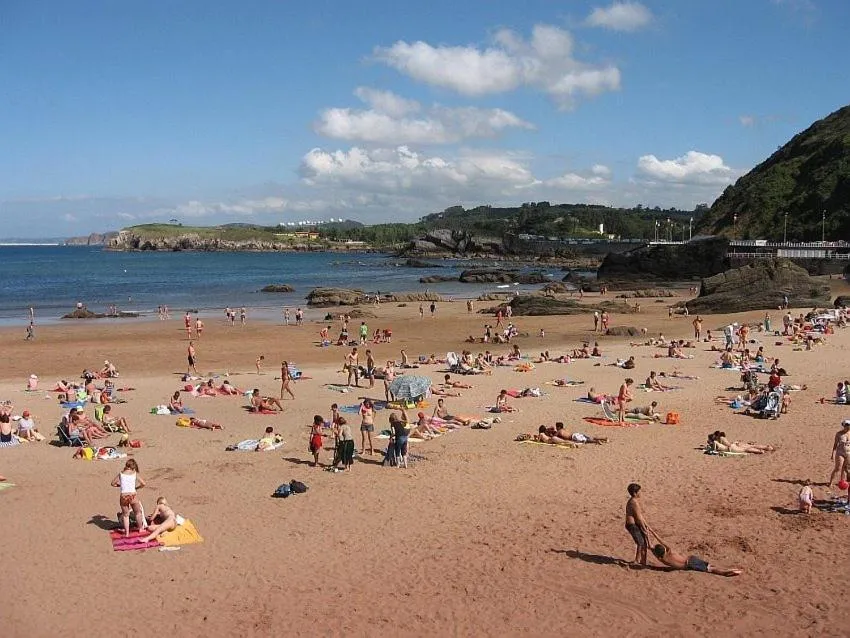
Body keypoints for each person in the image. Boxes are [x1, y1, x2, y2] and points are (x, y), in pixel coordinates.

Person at [651, 539, 742, 577]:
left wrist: (648, 542)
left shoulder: (664, 560)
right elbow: (660, 539)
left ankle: (726, 572)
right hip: (691, 559)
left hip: (690, 564)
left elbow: (651, 549)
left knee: (710, 569)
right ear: (664, 549)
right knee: (709, 566)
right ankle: (728, 570)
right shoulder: (671, 551)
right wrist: (650, 531)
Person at [112, 459, 146, 538]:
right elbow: (143, 483)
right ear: (133, 467)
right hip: (132, 495)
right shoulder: (134, 473)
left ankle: (127, 533)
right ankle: (140, 528)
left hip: (123, 495)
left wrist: (120, 486)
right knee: (138, 512)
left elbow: (113, 483)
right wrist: (136, 488)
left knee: (125, 515)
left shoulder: (121, 474)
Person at [625, 483, 654, 566]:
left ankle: (643, 561)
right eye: (639, 492)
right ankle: (637, 561)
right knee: (640, 542)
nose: (640, 493)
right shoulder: (633, 502)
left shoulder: (634, 501)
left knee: (644, 542)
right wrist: (644, 528)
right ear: (634, 493)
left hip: (635, 525)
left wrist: (646, 526)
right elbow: (638, 518)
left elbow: (640, 516)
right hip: (632, 525)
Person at [828, 419, 850, 488]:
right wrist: (832, 453)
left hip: (849, 452)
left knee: (846, 469)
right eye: (846, 425)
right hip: (840, 452)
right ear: (843, 425)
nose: (848, 426)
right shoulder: (839, 434)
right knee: (838, 468)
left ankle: (844, 482)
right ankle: (831, 482)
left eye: (849, 425)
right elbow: (835, 444)